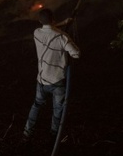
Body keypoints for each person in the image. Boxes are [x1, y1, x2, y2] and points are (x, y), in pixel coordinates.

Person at [23, 8, 80, 140]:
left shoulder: (36, 33)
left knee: (36, 105)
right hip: (57, 81)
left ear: (39, 21)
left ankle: (27, 132)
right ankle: (54, 133)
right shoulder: (62, 37)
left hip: (41, 80)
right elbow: (76, 54)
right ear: (53, 19)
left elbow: (48, 28)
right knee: (57, 109)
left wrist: (63, 23)